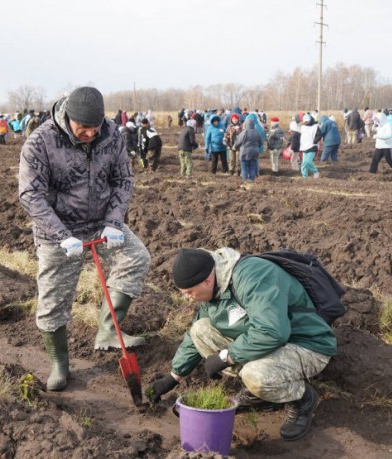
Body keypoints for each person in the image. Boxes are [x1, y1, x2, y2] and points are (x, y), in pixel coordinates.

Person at [18, 86, 151, 392]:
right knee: (52, 302)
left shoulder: (112, 135)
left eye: (95, 128)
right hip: (59, 231)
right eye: (83, 129)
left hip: (101, 225)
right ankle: (59, 365)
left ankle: (107, 330)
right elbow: (30, 195)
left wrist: (114, 223)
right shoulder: (41, 141)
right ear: (68, 119)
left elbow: (123, 179)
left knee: (136, 257)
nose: (90, 135)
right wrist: (61, 236)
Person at [147, 247, 337, 441]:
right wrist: (173, 377)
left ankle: (301, 398)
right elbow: (194, 333)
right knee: (201, 330)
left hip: (306, 344)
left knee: (256, 374)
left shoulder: (254, 277)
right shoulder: (216, 284)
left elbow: (272, 332)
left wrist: (226, 357)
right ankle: (261, 394)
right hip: (271, 345)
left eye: (189, 292)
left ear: (207, 280)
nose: (187, 298)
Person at [233, 116, 262, 182]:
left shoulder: (244, 133)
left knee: (244, 168)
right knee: (252, 167)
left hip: (245, 153)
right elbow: (261, 142)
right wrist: (256, 147)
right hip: (255, 153)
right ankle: (251, 180)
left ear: (245, 124)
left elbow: (238, 142)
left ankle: (245, 181)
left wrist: (235, 147)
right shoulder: (256, 132)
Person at [300, 114, 322, 179]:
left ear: (310, 120)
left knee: (308, 161)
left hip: (312, 147)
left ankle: (316, 172)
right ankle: (304, 177)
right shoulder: (303, 127)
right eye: (305, 121)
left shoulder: (316, 126)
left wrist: (314, 141)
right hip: (304, 146)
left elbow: (319, 135)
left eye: (307, 121)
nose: (306, 122)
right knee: (304, 163)